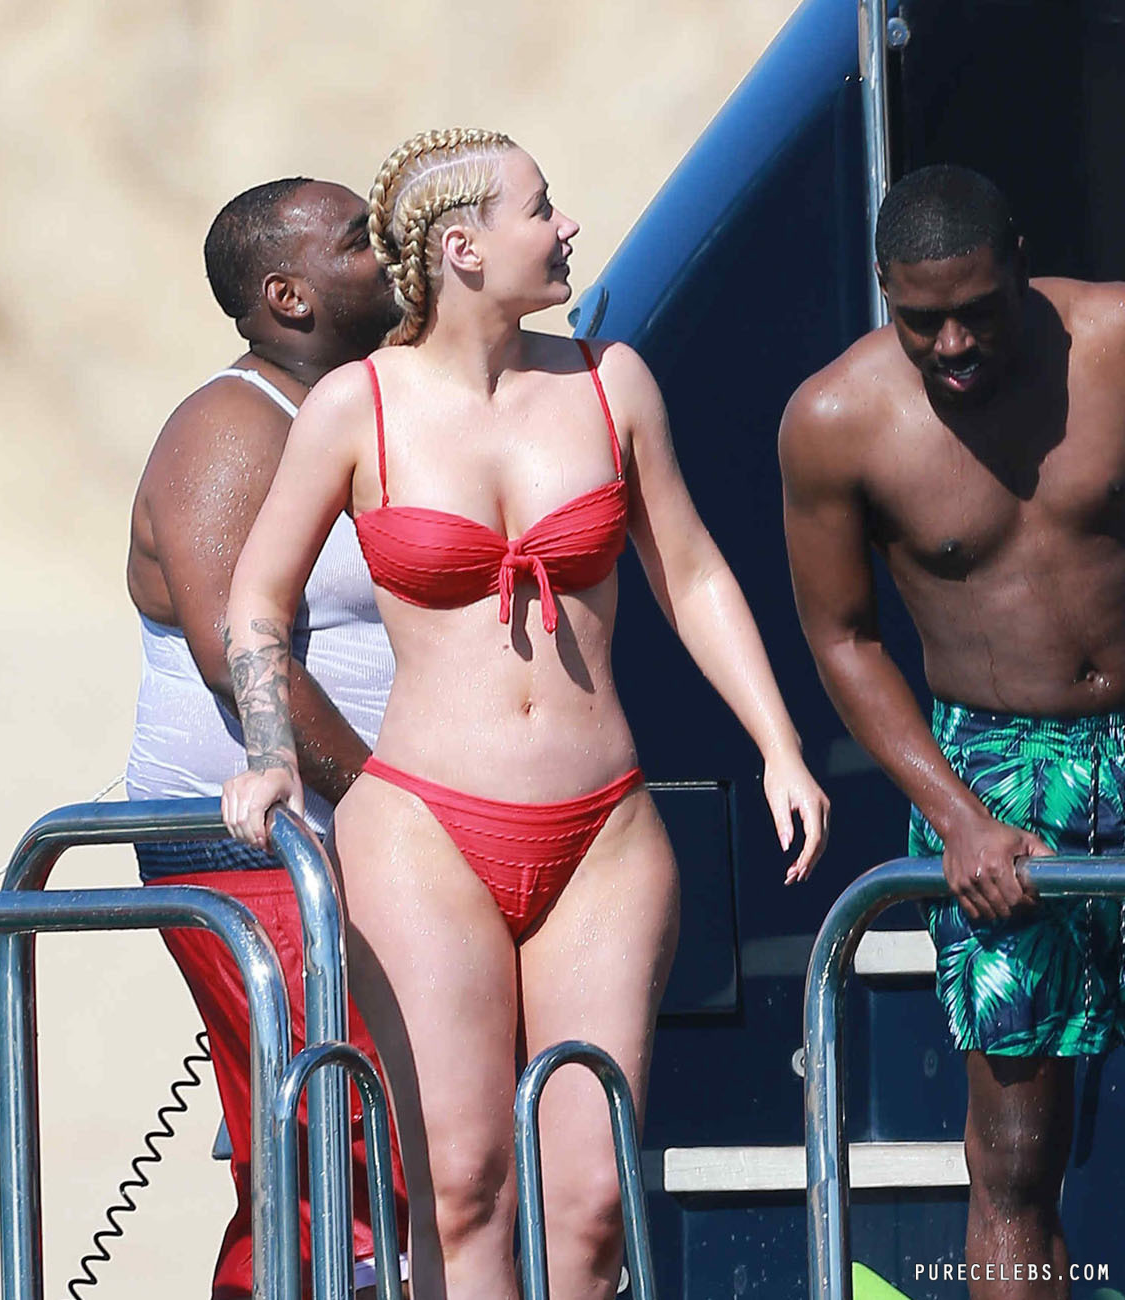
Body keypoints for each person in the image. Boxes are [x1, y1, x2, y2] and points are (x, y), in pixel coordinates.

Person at [222, 128, 828, 1300]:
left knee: (591, 1201)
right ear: (462, 247)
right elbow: (257, 598)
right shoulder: (357, 405)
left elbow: (691, 570)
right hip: (424, 828)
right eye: (540, 209)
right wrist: (267, 752)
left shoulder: (608, 380)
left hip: (600, 829)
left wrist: (778, 744)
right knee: (461, 1188)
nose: (565, 228)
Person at [780, 163, 1125, 1298]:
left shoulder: (1113, 344)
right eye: (922, 320)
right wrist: (956, 819)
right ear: (883, 288)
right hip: (993, 772)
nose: (954, 343)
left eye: (976, 310)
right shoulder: (835, 420)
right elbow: (842, 639)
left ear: (1019, 262)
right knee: (1015, 1158)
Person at [124, 178, 407, 1300]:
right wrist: (387, 801)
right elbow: (238, 656)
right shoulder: (230, 426)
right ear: (288, 295)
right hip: (257, 853)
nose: (390, 247)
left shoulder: (357, 410)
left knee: (361, 1156)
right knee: (340, 1147)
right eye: (361, 240)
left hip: (352, 842)